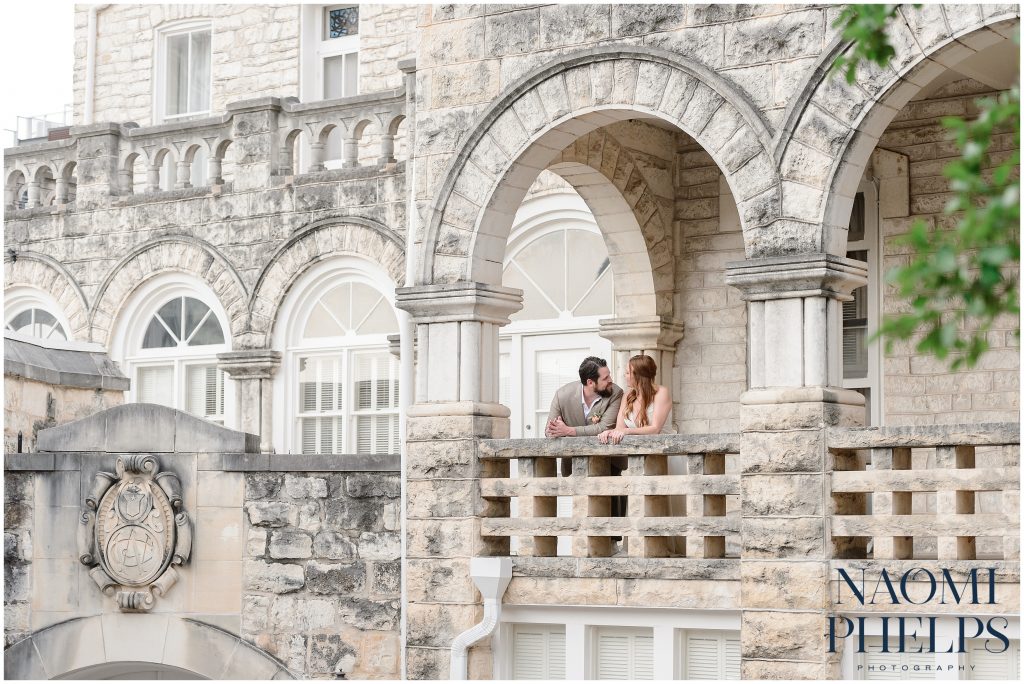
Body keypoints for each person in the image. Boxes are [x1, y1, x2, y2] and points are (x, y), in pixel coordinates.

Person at [598, 354, 672, 444]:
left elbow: (655, 429)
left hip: (665, 449)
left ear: (639, 375)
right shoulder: (627, 395)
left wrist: (627, 431)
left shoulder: (661, 392)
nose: (625, 376)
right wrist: (609, 432)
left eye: (628, 373)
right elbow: (620, 428)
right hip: (638, 451)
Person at [545, 356, 623, 438]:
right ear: (590, 383)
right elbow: (549, 431)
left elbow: (604, 427)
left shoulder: (616, 393)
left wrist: (568, 431)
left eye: (609, 375)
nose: (610, 380)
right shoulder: (561, 395)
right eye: (605, 378)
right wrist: (555, 430)